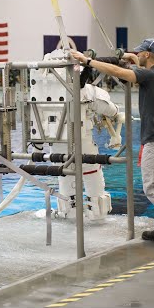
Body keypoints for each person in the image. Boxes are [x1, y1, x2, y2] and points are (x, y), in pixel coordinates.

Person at [71, 38, 154, 247]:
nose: (136, 55)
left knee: (152, 187)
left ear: (146, 55)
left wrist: (87, 61)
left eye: (138, 53)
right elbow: (136, 63)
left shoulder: (148, 75)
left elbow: (118, 73)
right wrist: (129, 57)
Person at [30, 49, 125, 222]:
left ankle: (69, 215)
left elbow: (36, 128)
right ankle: (97, 216)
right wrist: (116, 114)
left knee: (65, 180)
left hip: (58, 149)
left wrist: (37, 145)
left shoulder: (39, 95)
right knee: (93, 179)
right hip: (85, 146)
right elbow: (111, 110)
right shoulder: (87, 91)